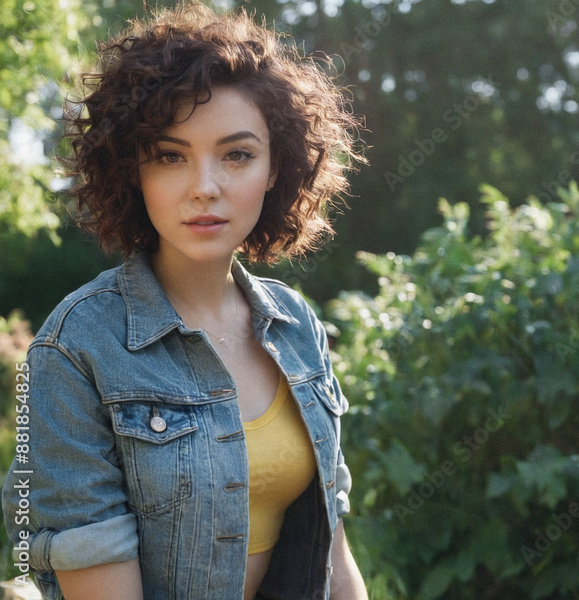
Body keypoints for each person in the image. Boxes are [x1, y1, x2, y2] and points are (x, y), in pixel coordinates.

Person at [1, 3, 367, 599]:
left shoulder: (295, 324)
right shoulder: (76, 348)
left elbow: (333, 551)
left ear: (277, 168)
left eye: (237, 154)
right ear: (132, 171)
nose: (205, 187)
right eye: (170, 156)